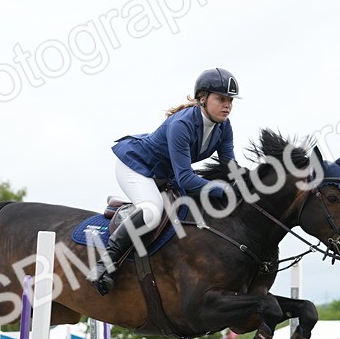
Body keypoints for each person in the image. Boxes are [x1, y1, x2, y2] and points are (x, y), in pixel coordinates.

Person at [89, 68, 240, 295]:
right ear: (202, 98)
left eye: (230, 100)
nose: (227, 105)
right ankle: (105, 263)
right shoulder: (182, 124)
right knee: (151, 212)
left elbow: (230, 168)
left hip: (164, 176)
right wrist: (223, 191)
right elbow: (186, 178)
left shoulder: (224, 127)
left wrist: (249, 182)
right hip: (137, 166)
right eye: (221, 99)